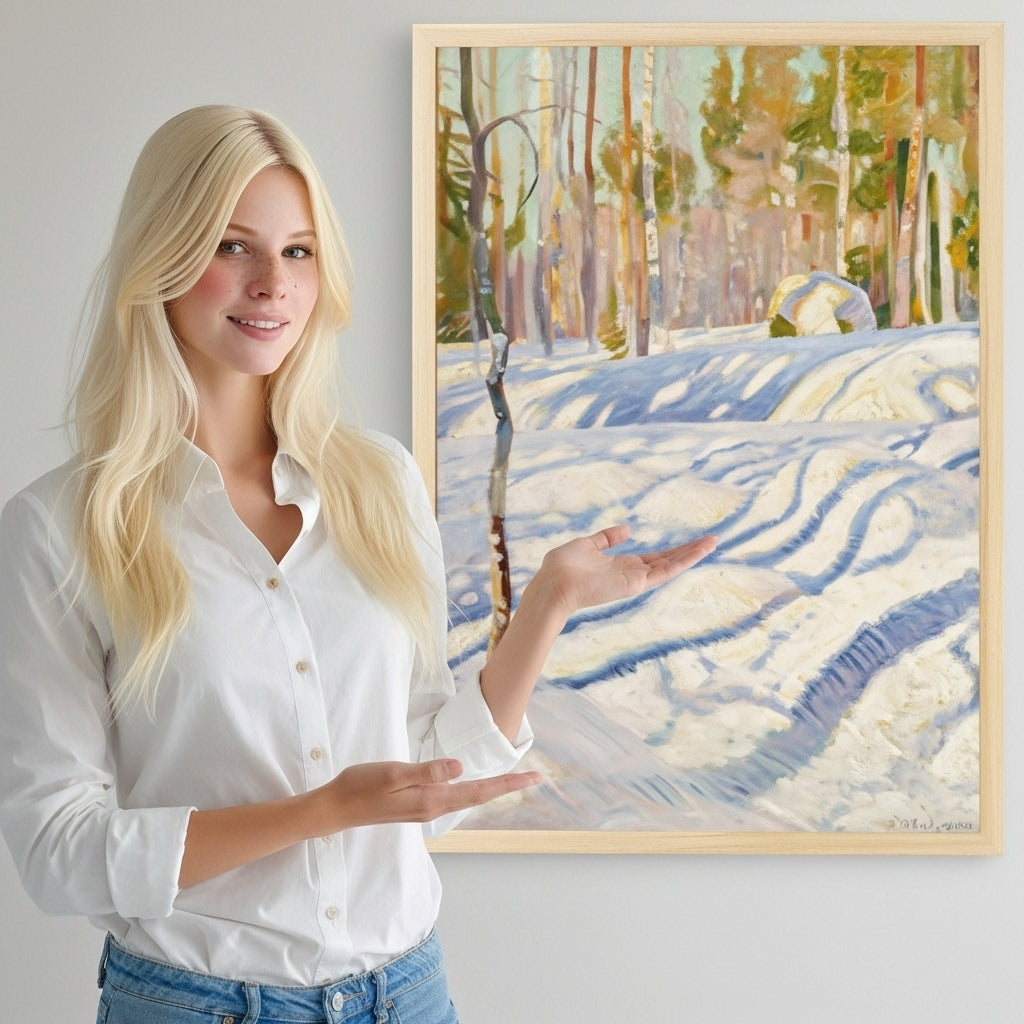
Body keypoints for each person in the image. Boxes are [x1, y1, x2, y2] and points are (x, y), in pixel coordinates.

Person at [0, 105, 716, 1024]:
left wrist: (546, 607)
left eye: (299, 252)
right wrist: (320, 811)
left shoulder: (378, 480)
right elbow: (60, 852)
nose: (272, 285)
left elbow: (422, 787)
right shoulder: (59, 530)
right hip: (195, 1003)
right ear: (162, 256)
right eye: (233, 246)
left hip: (407, 993)